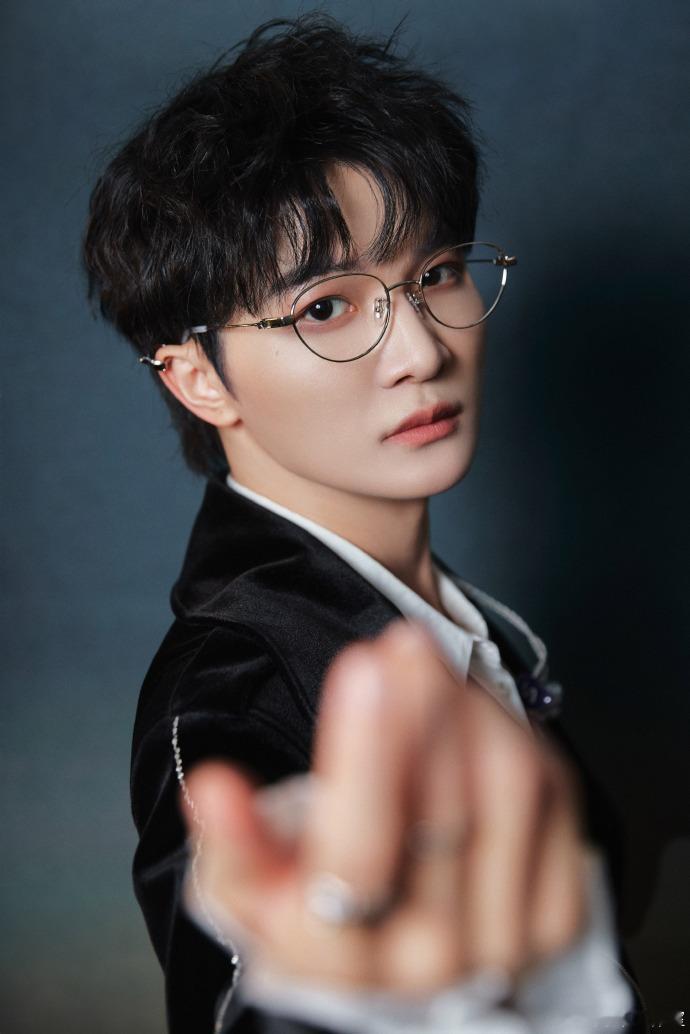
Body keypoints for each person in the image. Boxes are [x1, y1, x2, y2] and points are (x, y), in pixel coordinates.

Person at [83, 15, 645, 1033]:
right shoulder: (232, 696)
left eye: (435, 274)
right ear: (199, 376)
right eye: (326, 308)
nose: (422, 351)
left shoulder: (469, 625)